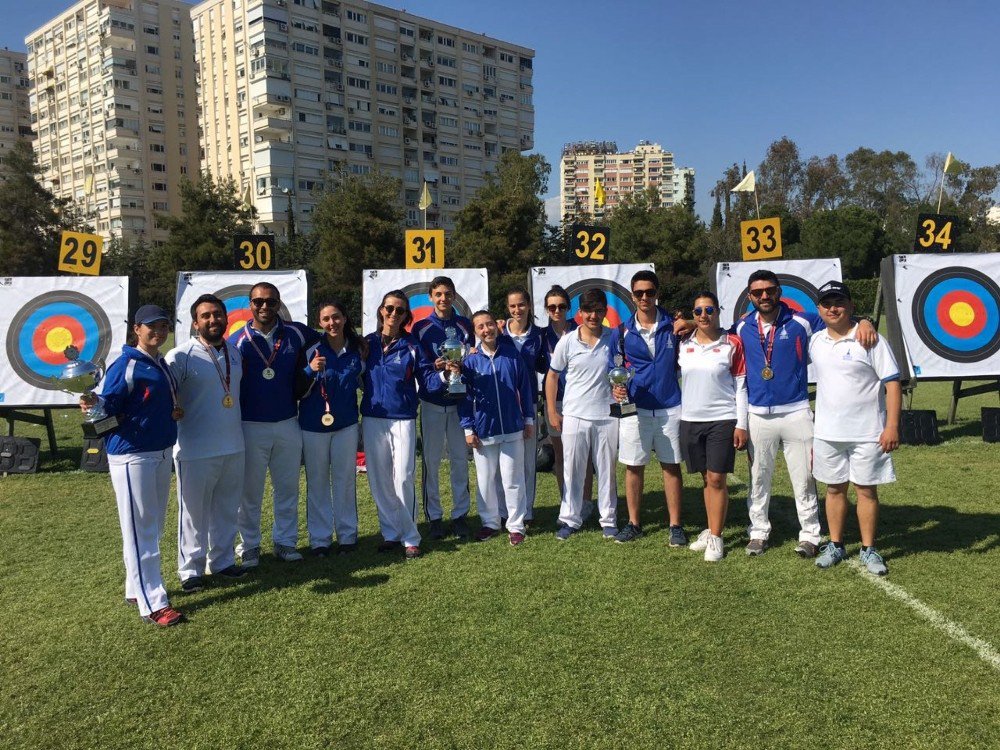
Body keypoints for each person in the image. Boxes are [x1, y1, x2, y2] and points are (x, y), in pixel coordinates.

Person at [734, 269, 877, 557]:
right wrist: (687, 322)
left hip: (796, 411)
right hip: (758, 414)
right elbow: (710, 332)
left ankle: (810, 534)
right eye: (758, 292)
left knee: (804, 478)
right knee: (758, 477)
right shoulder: (741, 327)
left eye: (770, 290)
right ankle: (759, 532)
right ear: (750, 296)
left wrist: (865, 320)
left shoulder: (803, 320)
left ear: (779, 292)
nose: (765, 296)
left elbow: (839, 320)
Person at [81, 304, 182, 627]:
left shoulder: (158, 362)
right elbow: (103, 410)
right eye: (152, 326)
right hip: (131, 454)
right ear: (136, 329)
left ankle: (134, 588)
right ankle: (153, 603)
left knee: (150, 527)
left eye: (164, 326)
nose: (159, 331)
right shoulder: (125, 364)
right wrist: (92, 405)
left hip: (159, 451)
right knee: (142, 530)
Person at [809, 281, 901, 576]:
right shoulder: (816, 340)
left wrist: (892, 426)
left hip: (868, 432)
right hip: (827, 432)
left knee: (866, 490)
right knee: (834, 489)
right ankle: (836, 544)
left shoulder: (870, 339)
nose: (833, 308)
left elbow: (893, 383)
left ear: (850, 305)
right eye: (826, 303)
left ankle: (868, 548)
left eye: (839, 302)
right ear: (819, 309)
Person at [230, 282, 318, 567]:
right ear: (250, 304)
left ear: (279, 303)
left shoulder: (296, 333)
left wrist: (359, 344)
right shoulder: (236, 340)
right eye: (258, 302)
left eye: (270, 301)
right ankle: (250, 546)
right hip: (250, 425)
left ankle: (285, 542)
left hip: (287, 422)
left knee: (287, 487)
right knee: (250, 491)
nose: (264, 307)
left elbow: (330, 338)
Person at [166, 294, 246, 592]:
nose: (213, 320)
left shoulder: (236, 353)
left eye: (218, 314)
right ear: (195, 322)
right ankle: (190, 570)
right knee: (193, 514)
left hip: (233, 445)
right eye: (206, 316)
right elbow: (164, 394)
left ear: (226, 318)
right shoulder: (180, 355)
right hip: (194, 450)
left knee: (227, 509)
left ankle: (223, 561)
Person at [609, 270, 687, 546]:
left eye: (650, 292)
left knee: (671, 466)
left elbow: (706, 328)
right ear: (632, 296)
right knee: (634, 466)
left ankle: (675, 525)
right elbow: (614, 369)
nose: (645, 297)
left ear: (657, 294)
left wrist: (686, 321)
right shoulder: (621, 332)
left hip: (670, 406)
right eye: (639, 293)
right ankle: (634, 523)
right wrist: (616, 388)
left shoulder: (675, 326)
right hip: (636, 408)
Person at [362, 291, 435, 560]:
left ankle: (411, 536)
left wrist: (447, 374)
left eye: (400, 311)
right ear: (381, 310)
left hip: (403, 418)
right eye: (390, 308)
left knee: (403, 477)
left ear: (406, 316)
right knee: (379, 480)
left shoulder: (412, 346)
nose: (394, 314)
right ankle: (390, 533)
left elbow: (428, 378)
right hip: (372, 418)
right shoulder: (366, 344)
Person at [677, 292, 748, 562]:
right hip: (690, 420)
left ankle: (717, 538)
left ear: (718, 311)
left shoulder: (732, 343)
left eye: (709, 310)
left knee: (717, 478)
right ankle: (711, 528)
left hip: (722, 419)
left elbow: (741, 386)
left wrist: (741, 424)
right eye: (698, 312)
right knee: (706, 478)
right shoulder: (683, 343)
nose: (703, 315)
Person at [456, 310, 535, 545]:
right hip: (483, 430)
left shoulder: (512, 355)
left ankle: (516, 525)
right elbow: (465, 398)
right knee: (486, 480)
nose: (486, 329)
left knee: (512, 479)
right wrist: (468, 429)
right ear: (475, 332)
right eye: (480, 327)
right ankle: (490, 522)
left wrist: (529, 419)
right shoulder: (469, 362)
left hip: (512, 427)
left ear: (497, 326)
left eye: (489, 324)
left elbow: (525, 388)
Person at [545, 288, 618, 540]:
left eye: (598, 311)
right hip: (574, 414)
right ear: (580, 313)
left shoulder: (614, 337)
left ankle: (608, 520)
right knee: (572, 470)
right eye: (588, 311)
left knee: (607, 470)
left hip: (607, 415)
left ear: (605, 312)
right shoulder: (568, 339)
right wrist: (553, 410)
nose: (593, 316)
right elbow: (552, 375)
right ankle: (570, 519)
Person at [300, 300, 366, 557]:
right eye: (326, 319)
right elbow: (297, 387)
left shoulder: (358, 350)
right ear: (319, 323)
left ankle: (348, 536)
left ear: (345, 318)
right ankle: (320, 540)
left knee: (345, 480)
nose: (332, 323)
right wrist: (309, 370)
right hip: (312, 426)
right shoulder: (312, 351)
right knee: (317, 483)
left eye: (336, 317)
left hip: (346, 426)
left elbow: (365, 383)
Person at [411, 276, 474, 540]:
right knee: (432, 462)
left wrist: (462, 366)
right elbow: (419, 366)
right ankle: (434, 517)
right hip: (433, 402)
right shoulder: (422, 327)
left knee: (460, 461)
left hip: (459, 402)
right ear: (430, 297)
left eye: (448, 294)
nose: (443, 299)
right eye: (438, 294)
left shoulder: (464, 325)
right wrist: (436, 367)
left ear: (454, 296)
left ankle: (460, 515)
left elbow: (473, 356)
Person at [539, 285, 593, 506]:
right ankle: (567, 502)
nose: (557, 310)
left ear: (569, 308)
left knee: (585, 456)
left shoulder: (582, 330)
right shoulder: (541, 335)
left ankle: (587, 502)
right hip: (556, 401)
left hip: (582, 401)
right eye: (552, 307)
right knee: (561, 455)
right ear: (546, 309)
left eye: (561, 306)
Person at [497, 286, 546, 524]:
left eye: (521, 305)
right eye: (512, 306)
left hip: (528, 405)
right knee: (502, 463)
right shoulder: (497, 333)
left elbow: (546, 365)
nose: (517, 310)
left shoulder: (539, 335)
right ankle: (503, 511)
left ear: (529, 306)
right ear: (508, 308)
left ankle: (526, 511)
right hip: (501, 406)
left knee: (527, 461)